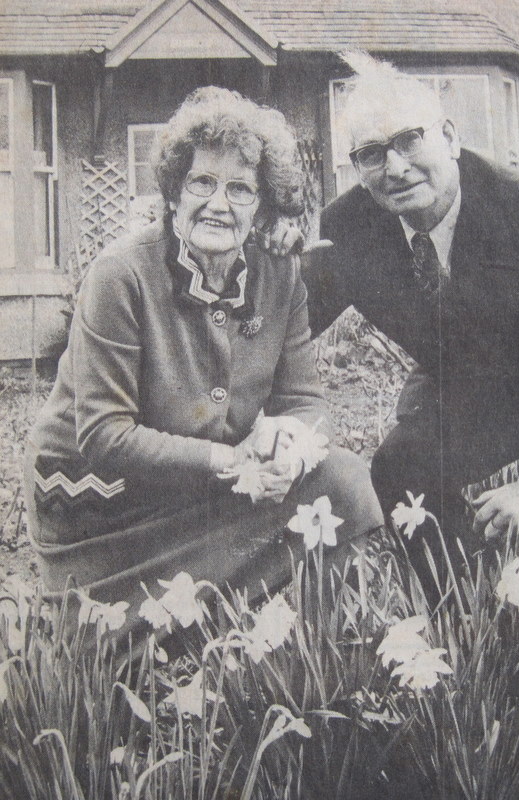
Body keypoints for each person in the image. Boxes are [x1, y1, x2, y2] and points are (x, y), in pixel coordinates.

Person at [24, 86, 383, 643]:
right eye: (202, 183)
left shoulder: (278, 276)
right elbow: (104, 435)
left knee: (344, 481)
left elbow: (303, 400)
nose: (219, 203)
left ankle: (309, 655)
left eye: (240, 189)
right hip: (104, 520)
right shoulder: (119, 276)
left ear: (260, 205)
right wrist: (232, 460)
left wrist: (294, 451)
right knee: (126, 664)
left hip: (204, 491)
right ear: (173, 193)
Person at [302, 53, 519, 585]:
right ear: (356, 167)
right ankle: (474, 610)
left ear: (450, 137)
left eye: (410, 139)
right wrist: (273, 254)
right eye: (372, 153)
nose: (395, 167)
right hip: (487, 388)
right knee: (403, 466)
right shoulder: (349, 230)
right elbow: (285, 327)